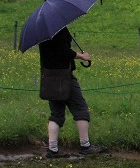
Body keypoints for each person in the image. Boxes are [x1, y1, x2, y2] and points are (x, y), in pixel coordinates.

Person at [39, 27, 105, 158]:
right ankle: (85, 146)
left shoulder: (43, 32)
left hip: (49, 77)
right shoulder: (58, 29)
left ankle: (53, 150)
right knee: (81, 109)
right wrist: (81, 56)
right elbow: (63, 51)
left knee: (56, 114)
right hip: (64, 76)